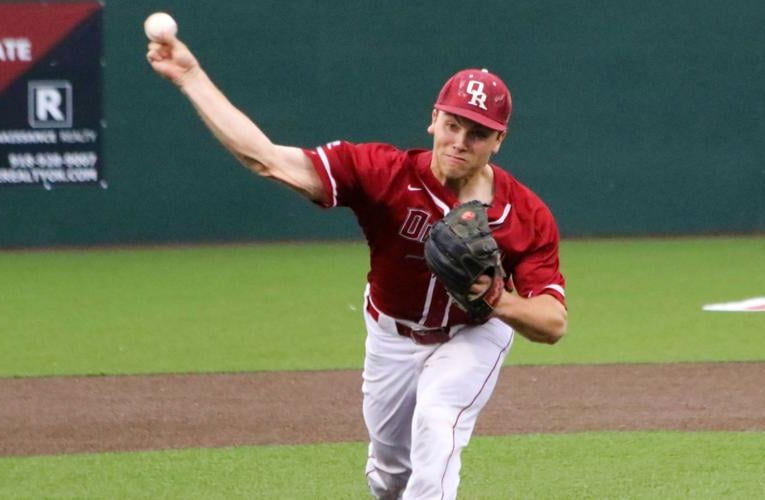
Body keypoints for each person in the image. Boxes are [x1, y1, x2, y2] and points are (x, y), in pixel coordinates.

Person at [147, 32, 567, 500]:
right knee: (389, 474)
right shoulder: (382, 173)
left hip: (473, 334)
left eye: (478, 133)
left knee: (437, 418)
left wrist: (496, 298)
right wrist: (190, 76)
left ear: (499, 141)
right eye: (453, 124)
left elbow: (552, 323)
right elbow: (266, 159)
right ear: (433, 120)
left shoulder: (523, 215)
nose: (460, 141)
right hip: (392, 334)